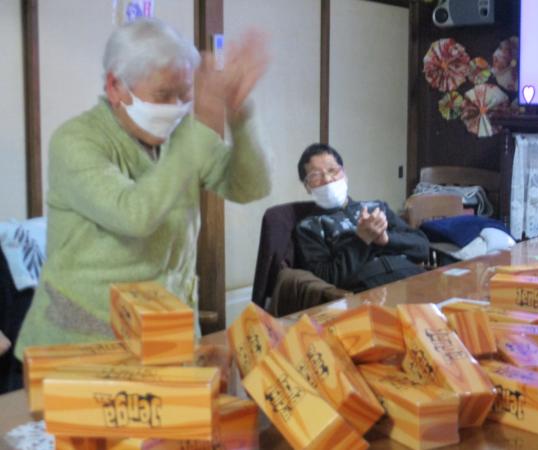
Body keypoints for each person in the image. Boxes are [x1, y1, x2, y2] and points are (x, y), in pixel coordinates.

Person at [15, 19, 271, 358]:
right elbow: (134, 215)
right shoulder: (76, 140)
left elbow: (250, 186)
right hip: (80, 345)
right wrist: (200, 127)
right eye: (163, 95)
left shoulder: (182, 137)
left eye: (185, 94)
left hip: (165, 334)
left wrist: (240, 113)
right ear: (115, 86)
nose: (177, 106)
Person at [294, 143, 429, 292]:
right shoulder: (308, 227)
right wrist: (361, 240)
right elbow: (326, 278)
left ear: (344, 175)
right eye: (315, 176)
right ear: (307, 186)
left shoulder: (376, 207)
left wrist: (386, 239)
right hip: (368, 289)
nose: (327, 179)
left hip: (412, 277)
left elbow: (422, 247)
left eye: (332, 170)